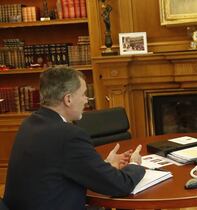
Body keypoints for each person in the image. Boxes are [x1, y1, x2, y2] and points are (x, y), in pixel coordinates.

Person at [3, 67, 146, 210]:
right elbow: (120, 185)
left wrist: (105, 166)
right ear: (68, 99)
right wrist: (134, 165)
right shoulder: (68, 135)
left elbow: (59, 168)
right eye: (83, 94)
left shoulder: (30, 123)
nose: (86, 100)